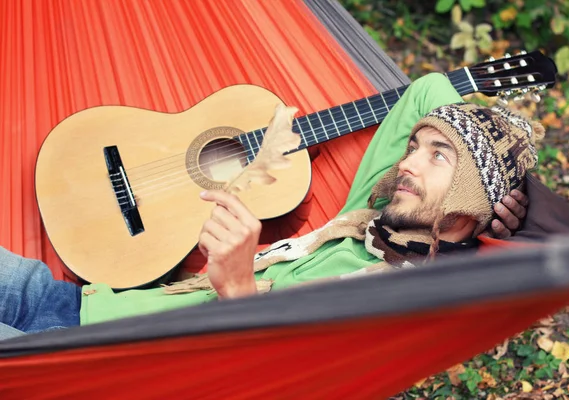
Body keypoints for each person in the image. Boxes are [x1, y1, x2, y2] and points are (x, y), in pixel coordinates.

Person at [0, 73, 538, 338]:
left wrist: (236, 290)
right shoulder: (364, 220)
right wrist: (477, 160)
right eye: (412, 147)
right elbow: (428, 89)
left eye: (435, 156)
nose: (407, 164)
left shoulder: (393, 302)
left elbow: (268, 374)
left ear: (466, 194)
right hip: (78, 303)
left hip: (79, 355)